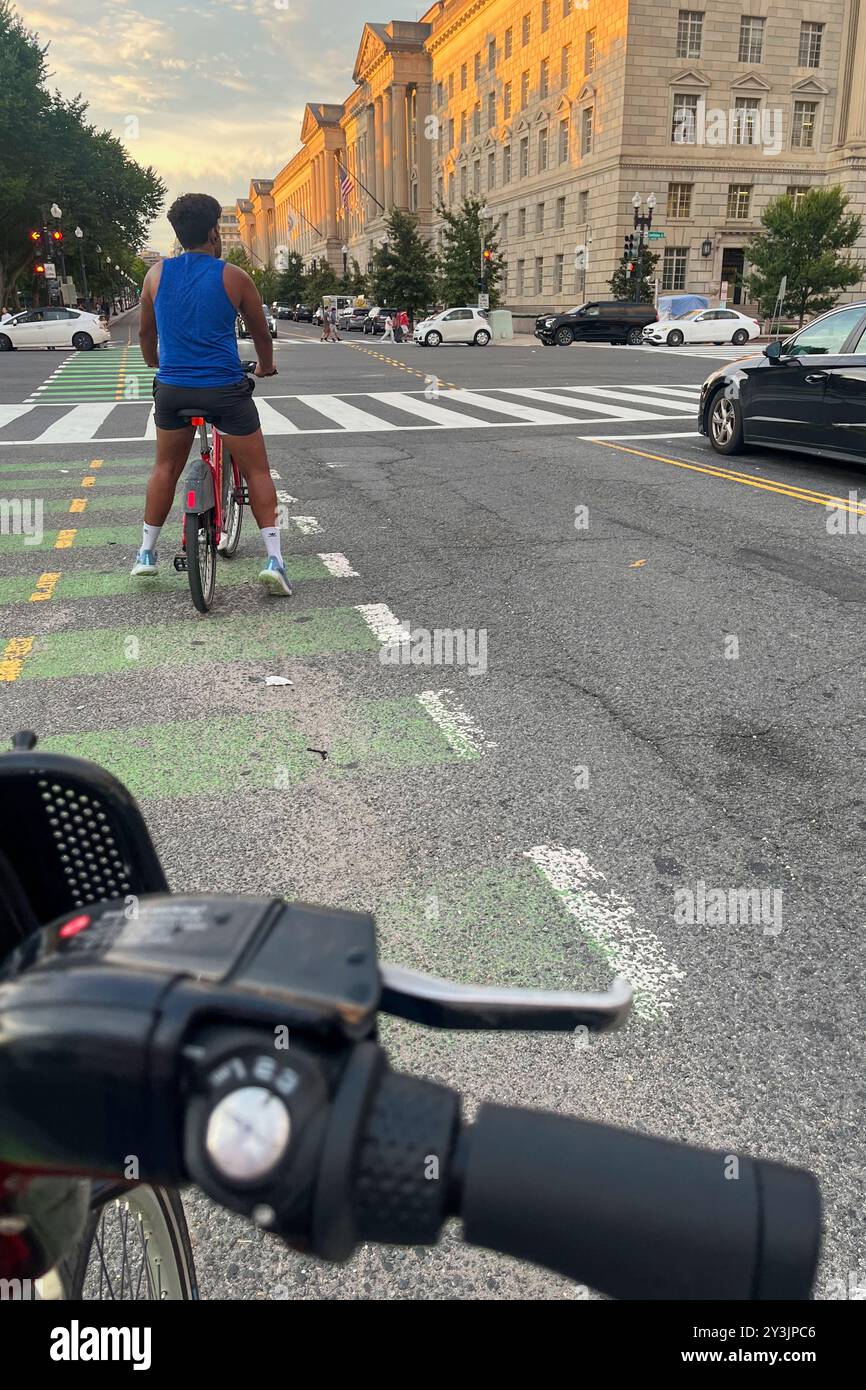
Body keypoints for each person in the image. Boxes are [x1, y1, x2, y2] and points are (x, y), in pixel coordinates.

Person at [134, 191, 292, 596]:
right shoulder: (234, 276)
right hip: (224, 390)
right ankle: (274, 559)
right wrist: (266, 365)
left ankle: (146, 553)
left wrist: (155, 361)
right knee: (257, 470)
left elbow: (145, 334)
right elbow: (261, 333)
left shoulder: (155, 276)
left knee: (164, 468)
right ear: (212, 233)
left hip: (172, 389)